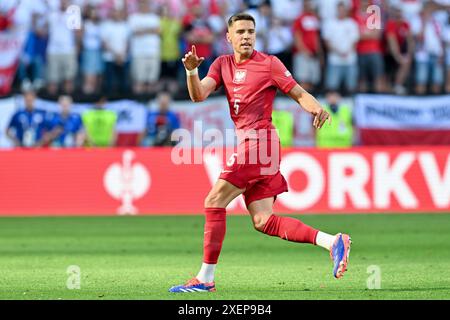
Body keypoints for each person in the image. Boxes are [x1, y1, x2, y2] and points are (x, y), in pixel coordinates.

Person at [169, 13, 351, 293]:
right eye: (240, 32)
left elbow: (299, 93)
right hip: (253, 146)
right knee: (263, 221)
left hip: (260, 142)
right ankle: (332, 241)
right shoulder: (222, 64)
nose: (246, 36)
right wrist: (192, 71)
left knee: (214, 200)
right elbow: (198, 95)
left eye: (251, 31)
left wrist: (316, 108)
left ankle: (205, 278)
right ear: (228, 37)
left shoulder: (269, 64)